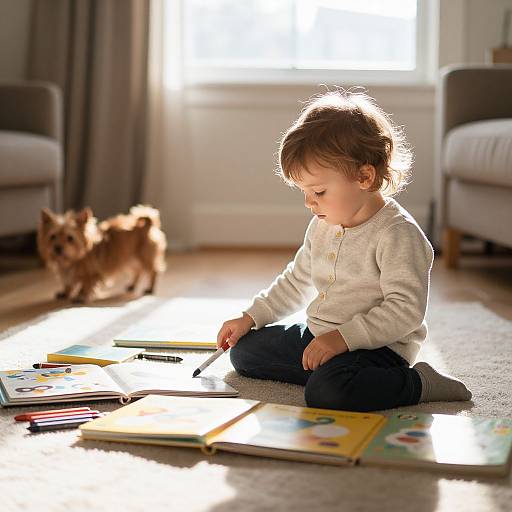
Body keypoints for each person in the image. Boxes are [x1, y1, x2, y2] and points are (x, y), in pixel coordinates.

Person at [216, 90, 472, 412]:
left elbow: (405, 310)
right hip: (321, 333)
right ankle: (328, 368)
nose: (309, 203)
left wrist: (342, 340)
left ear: (364, 176)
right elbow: (297, 280)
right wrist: (251, 316)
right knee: (244, 351)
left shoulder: (398, 234)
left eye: (319, 191)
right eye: (305, 192)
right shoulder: (324, 222)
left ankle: (417, 383)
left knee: (329, 393)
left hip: (378, 348)